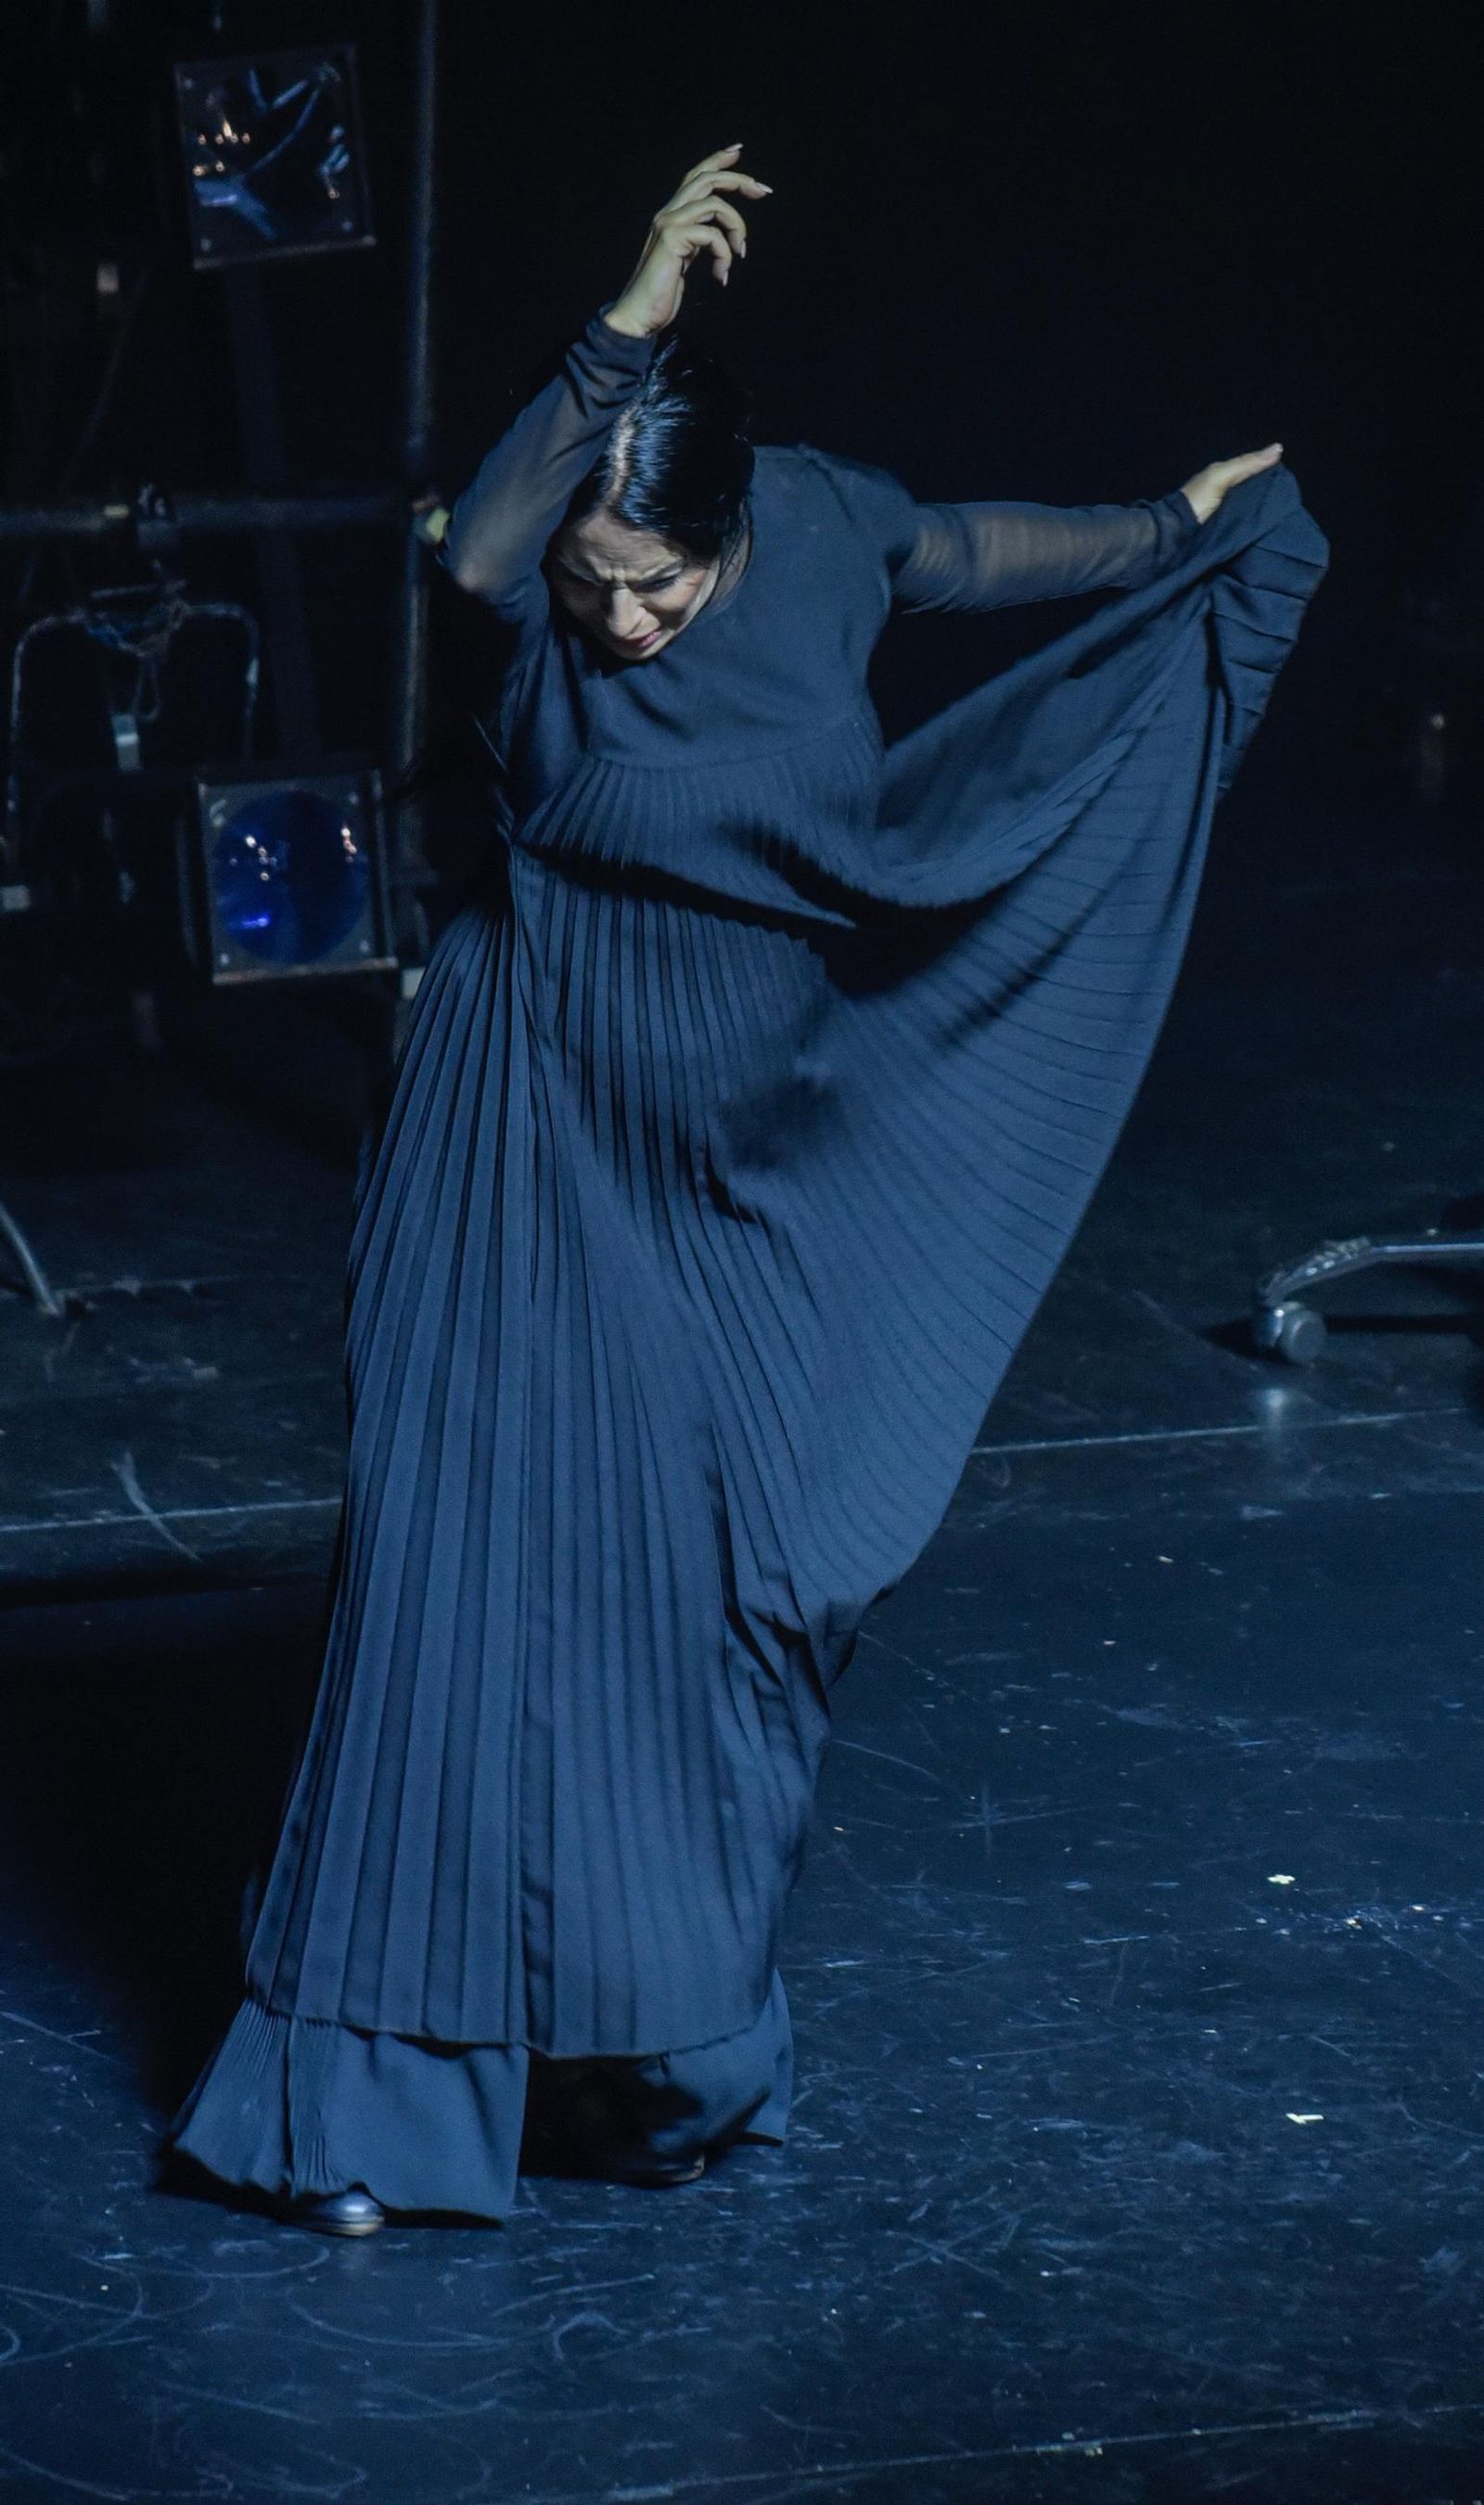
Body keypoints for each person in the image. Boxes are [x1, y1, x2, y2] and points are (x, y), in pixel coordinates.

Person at [162, 148, 1327, 2234]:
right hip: (515, 1136)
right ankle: (362, 2109)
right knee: (455, 1585)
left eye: (655, 589)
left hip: (724, 1159)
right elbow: (478, 556)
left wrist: (1181, 524)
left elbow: (976, 546)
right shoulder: (530, 570)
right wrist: (619, 328)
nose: (614, 617)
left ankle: (646, 2051)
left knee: (703, 1592)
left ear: (733, 534)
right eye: (598, 582)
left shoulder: (819, 520)